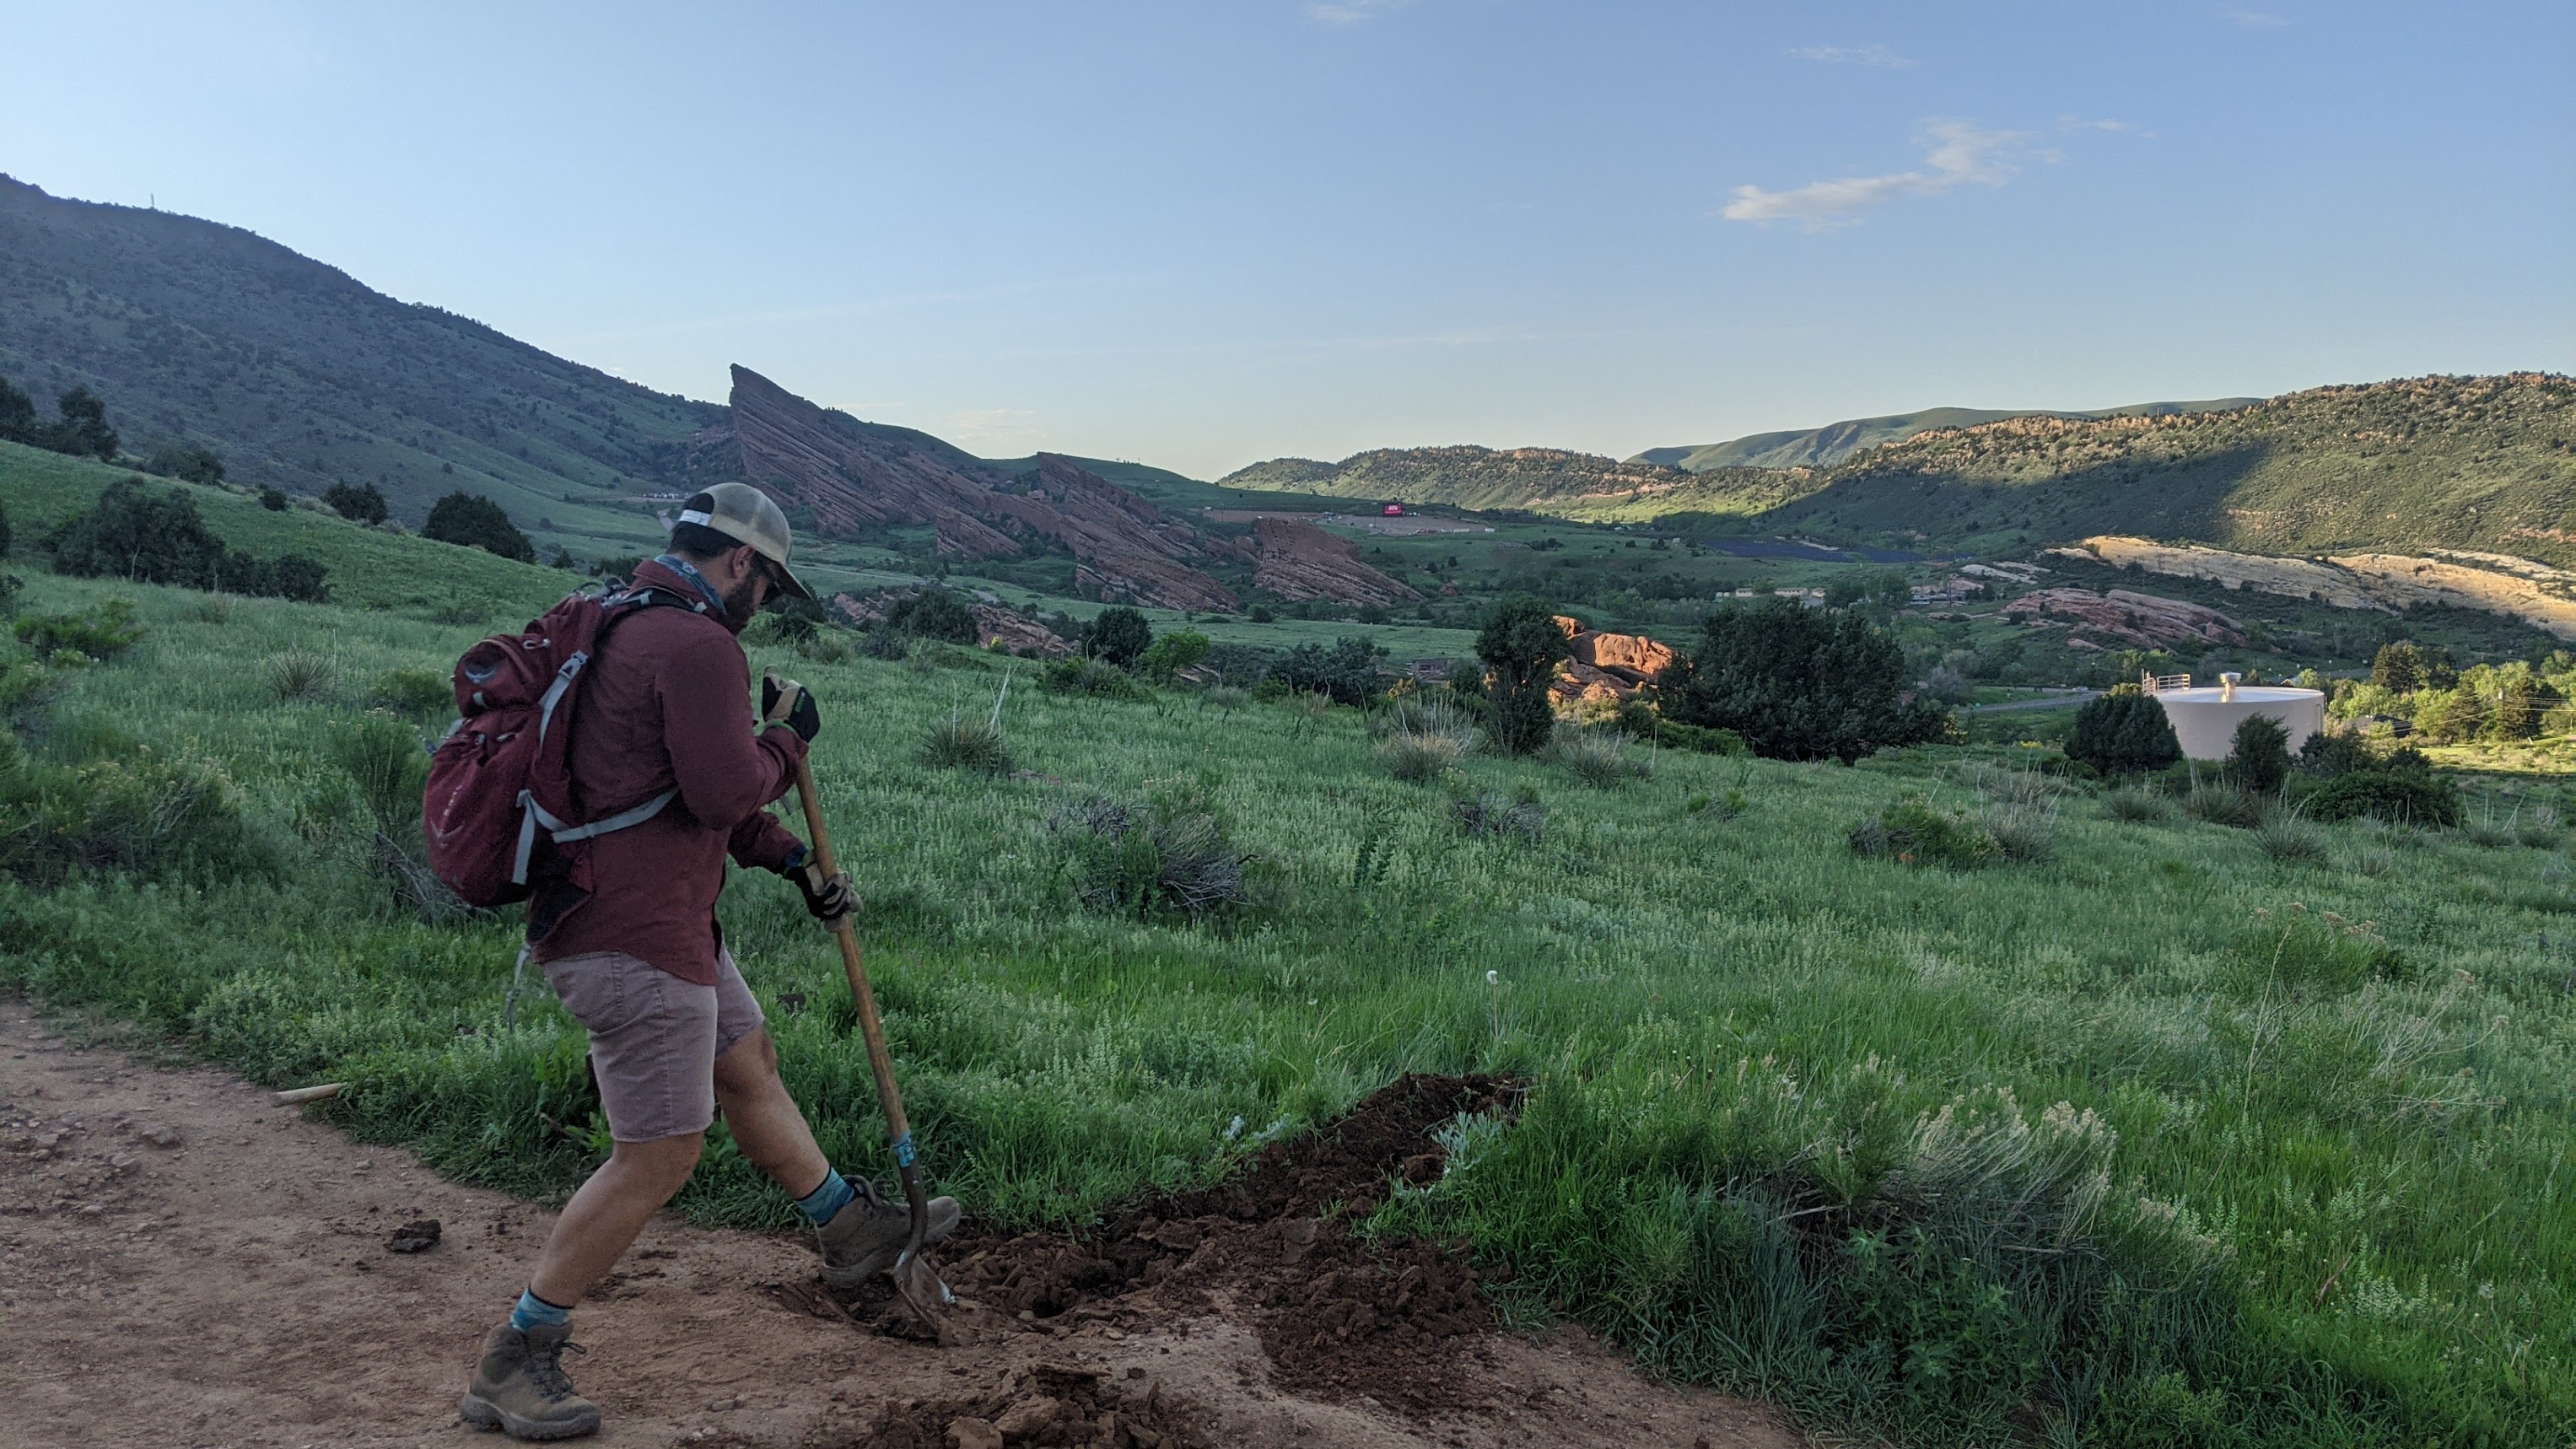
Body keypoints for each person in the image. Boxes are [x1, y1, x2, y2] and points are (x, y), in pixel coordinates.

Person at [459, 483, 959, 1441]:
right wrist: (786, 737)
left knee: (747, 1061)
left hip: (659, 924)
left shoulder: (624, 621)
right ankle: (516, 1356)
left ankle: (851, 1231)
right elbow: (729, 780)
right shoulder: (697, 644)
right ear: (743, 564)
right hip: (632, 939)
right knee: (660, 1154)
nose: (762, 602)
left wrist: (792, 863)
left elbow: (683, 795)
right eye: (768, 584)